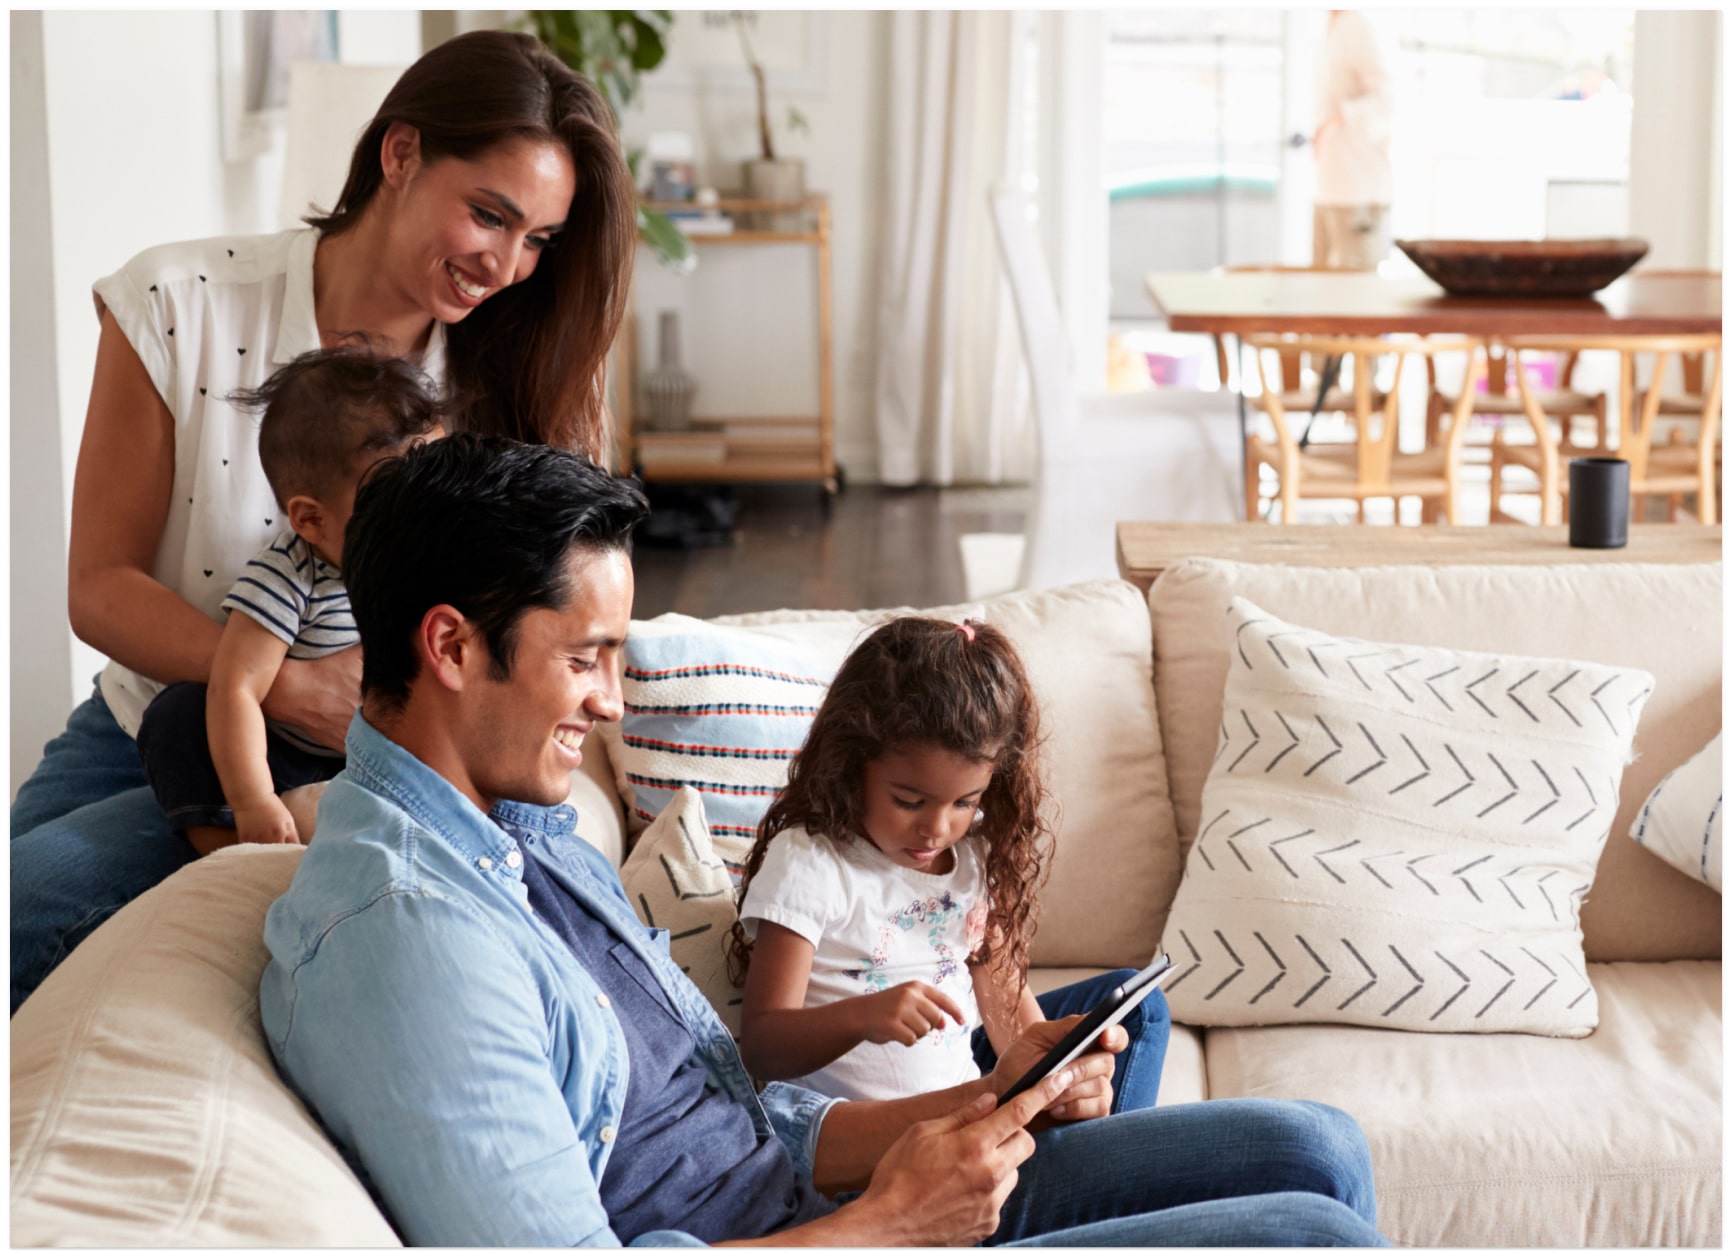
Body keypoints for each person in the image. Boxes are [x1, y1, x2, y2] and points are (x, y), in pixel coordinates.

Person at [258, 432, 1388, 1247]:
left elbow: (743, 1125)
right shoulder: (407, 942)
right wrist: (898, 1222)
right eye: (585, 656)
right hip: (843, 1240)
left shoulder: (522, 828)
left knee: (1317, 1147)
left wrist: (980, 1098)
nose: (610, 701)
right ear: (452, 647)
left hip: (820, 1193)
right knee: (1309, 1234)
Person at [10, 28, 637, 1014]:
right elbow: (99, 587)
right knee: (23, 904)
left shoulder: (507, 372)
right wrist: (285, 683)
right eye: (489, 215)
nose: (508, 266)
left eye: (538, 241)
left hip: (394, 753)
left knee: (49, 899)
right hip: (158, 712)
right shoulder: (181, 303)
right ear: (399, 153)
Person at [730, 616, 1170, 1110]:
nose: (936, 830)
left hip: (972, 1105)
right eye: (909, 801)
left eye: (964, 803)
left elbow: (1014, 1025)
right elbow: (763, 1047)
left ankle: (1093, 1154)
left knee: (1138, 1008)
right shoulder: (812, 863)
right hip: (881, 1142)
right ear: (851, 765)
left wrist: (1055, 1085)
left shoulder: (970, 859)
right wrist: (862, 1016)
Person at [135, 348, 444, 857]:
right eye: (396, 507)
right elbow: (236, 688)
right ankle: (227, 849)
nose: (424, 525)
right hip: (285, 757)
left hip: (380, 757)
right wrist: (253, 797)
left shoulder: (430, 563)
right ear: (311, 520)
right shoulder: (290, 575)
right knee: (179, 715)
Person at [1312, 9, 1395, 271]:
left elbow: (1387, 99)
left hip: (1357, 190)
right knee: (1321, 293)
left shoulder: (1362, 26)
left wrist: (1340, 116)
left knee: (1354, 295)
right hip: (1328, 188)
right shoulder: (1329, 26)